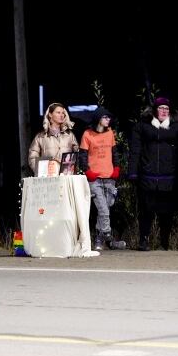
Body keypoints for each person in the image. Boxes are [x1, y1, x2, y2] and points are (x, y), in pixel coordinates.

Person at [128, 97, 178, 251]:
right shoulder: (142, 127)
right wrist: (133, 172)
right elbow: (135, 151)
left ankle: (164, 243)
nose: (163, 111)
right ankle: (143, 240)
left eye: (166, 109)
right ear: (155, 110)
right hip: (147, 176)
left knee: (166, 212)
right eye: (161, 108)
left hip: (169, 177)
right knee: (146, 210)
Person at [78, 106, 125, 251]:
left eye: (108, 118)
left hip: (109, 177)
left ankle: (100, 239)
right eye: (105, 117)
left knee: (107, 206)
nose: (108, 120)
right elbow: (82, 156)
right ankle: (109, 236)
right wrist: (87, 171)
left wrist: (117, 168)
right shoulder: (87, 134)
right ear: (98, 118)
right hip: (95, 178)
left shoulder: (110, 133)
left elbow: (114, 153)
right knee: (103, 209)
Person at [27, 102, 79, 175]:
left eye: (63, 113)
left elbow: (78, 155)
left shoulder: (69, 135)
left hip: (67, 176)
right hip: (49, 178)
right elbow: (32, 157)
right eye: (58, 112)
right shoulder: (41, 137)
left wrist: (74, 170)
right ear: (50, 114)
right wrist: (41, 172)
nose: (61, 115)